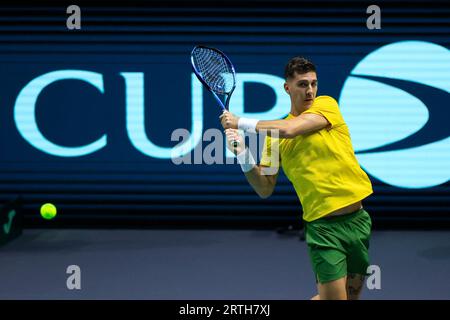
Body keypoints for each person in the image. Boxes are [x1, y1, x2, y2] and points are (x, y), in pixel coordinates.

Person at [220, 57, 373, 300]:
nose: (310, 90)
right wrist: (243, 154)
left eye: (313, 83)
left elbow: (291, 129)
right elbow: (264, 188)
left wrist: (240, 121)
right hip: (323, 229)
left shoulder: (327, 106)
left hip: (358, 222)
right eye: (302, 84)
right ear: (287, 88)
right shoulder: (273, 138)